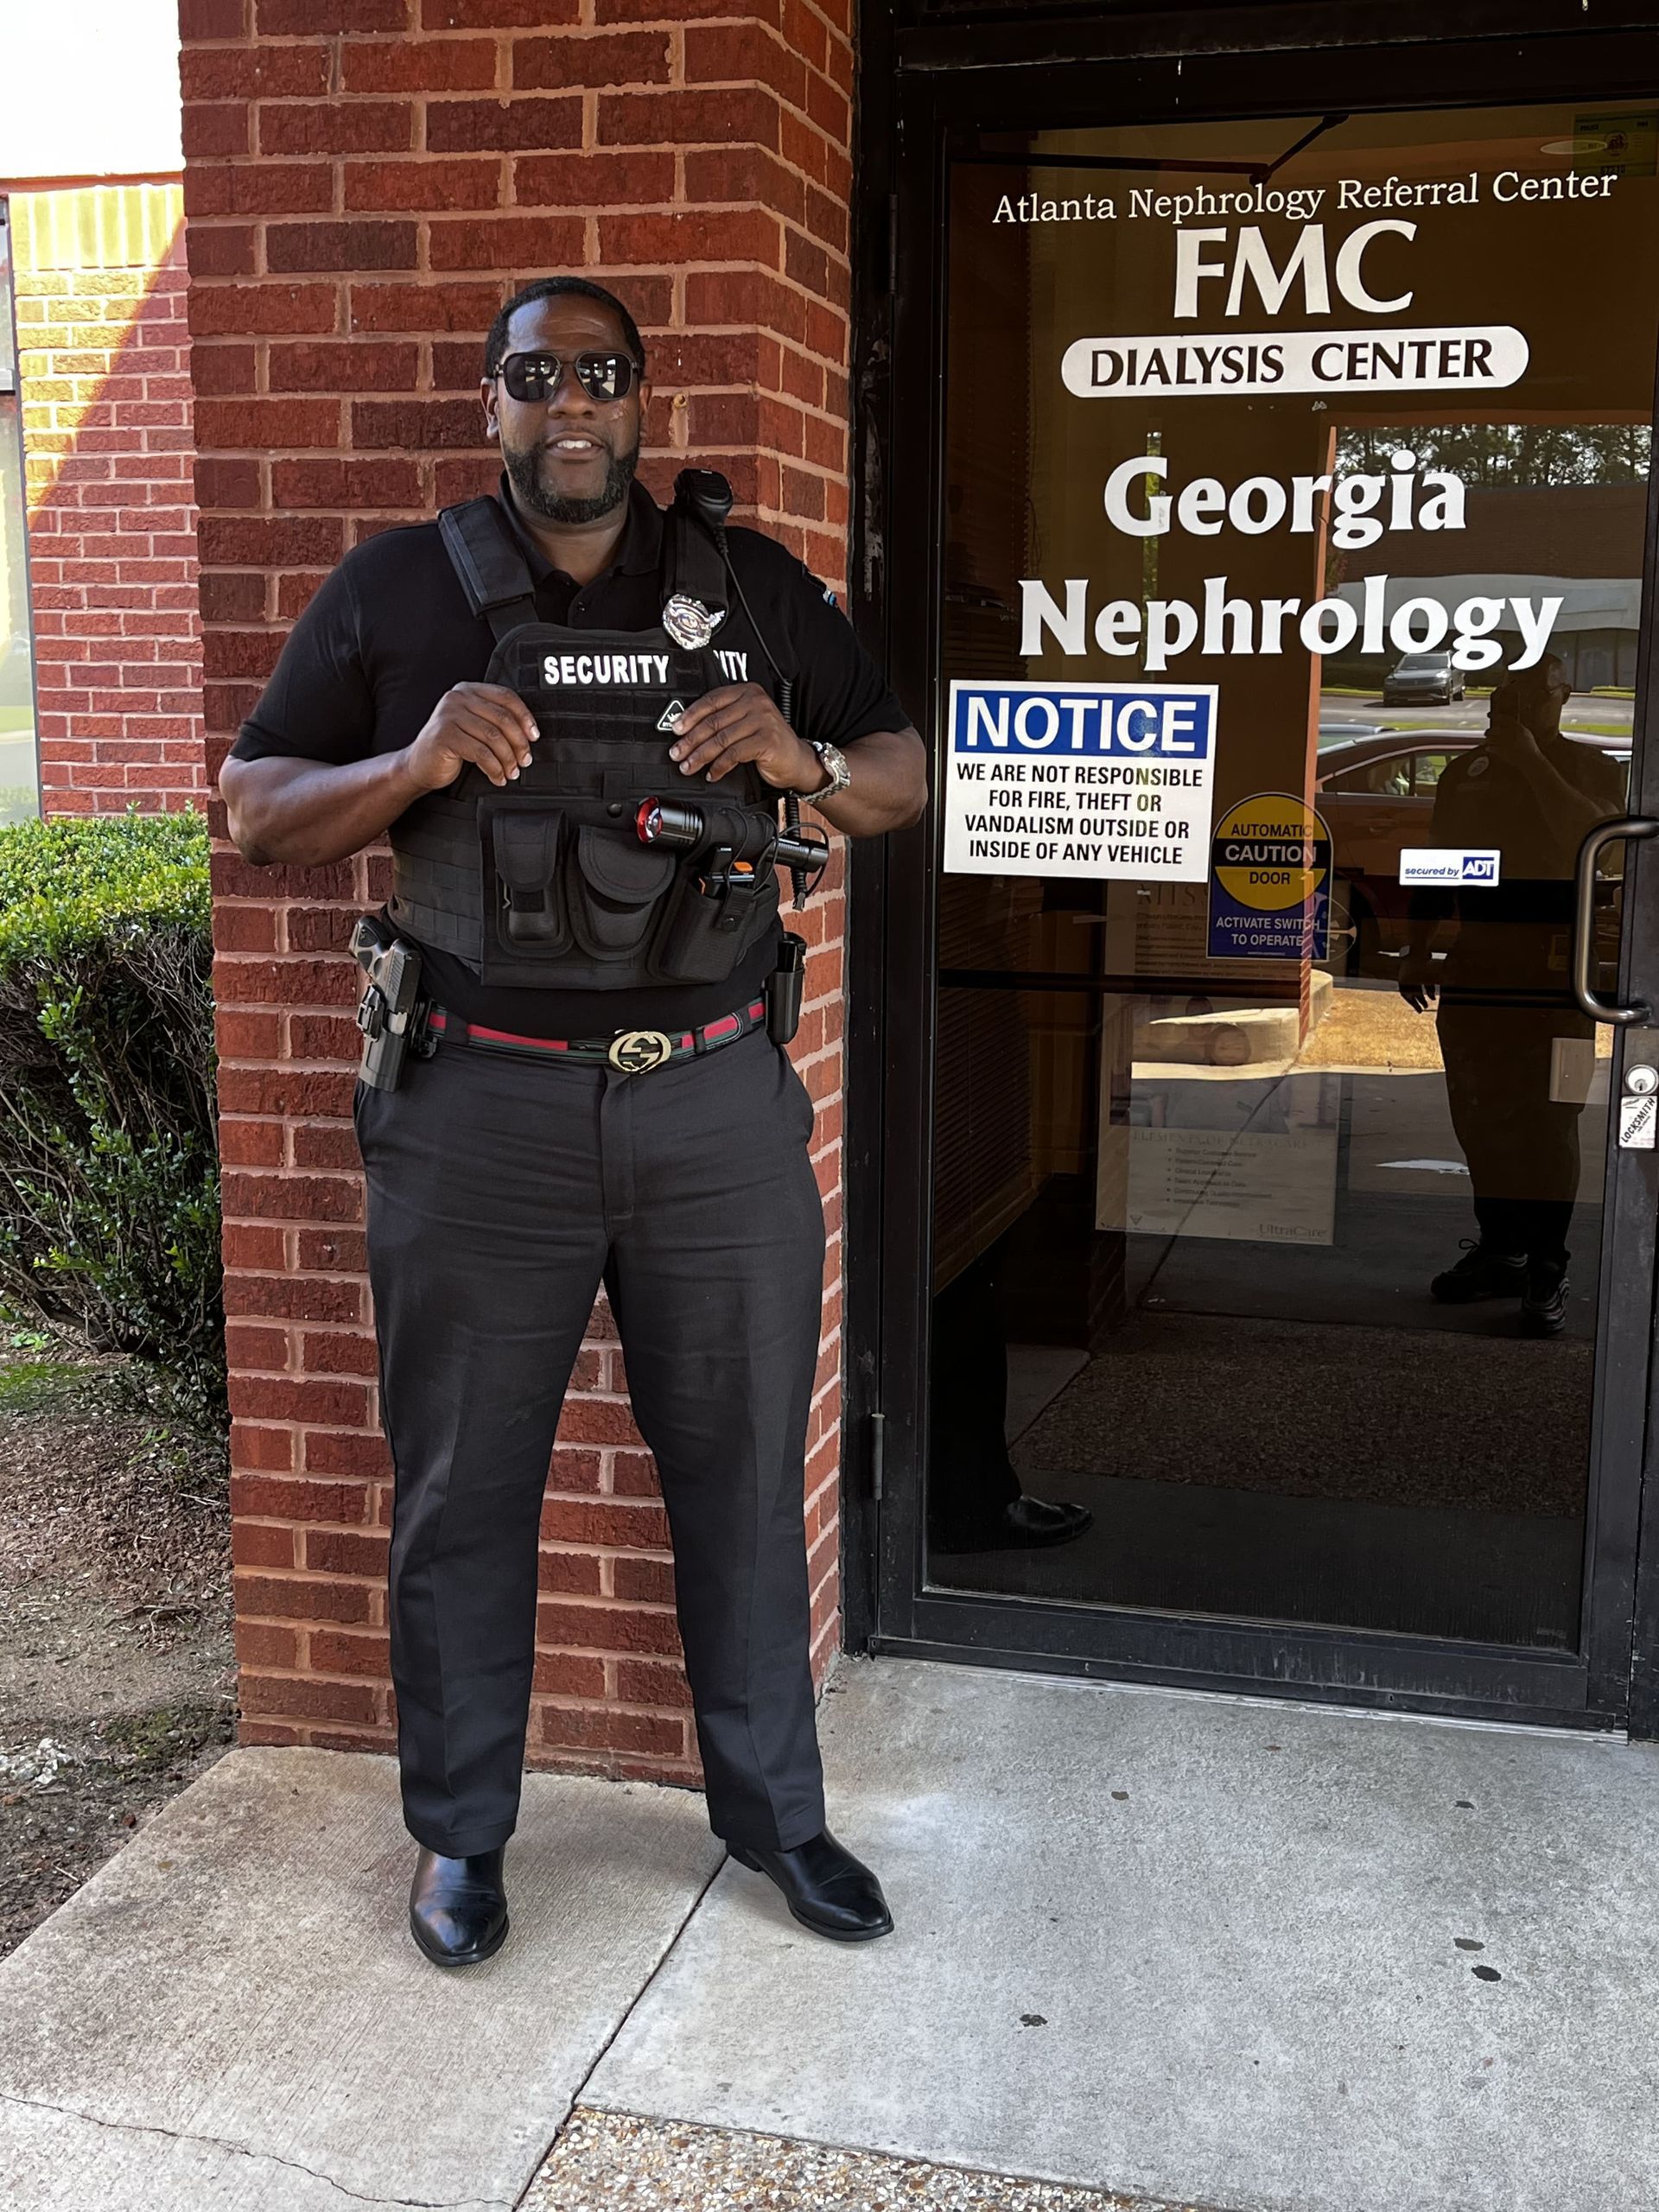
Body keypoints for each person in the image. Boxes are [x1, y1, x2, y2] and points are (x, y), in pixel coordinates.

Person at [219, 276, 928, 1967]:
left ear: (639, 397)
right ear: (494, 404)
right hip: (480, 1109)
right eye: (535, 379)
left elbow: (903, 774)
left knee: (747, 1472)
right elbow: (253, 807)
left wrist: (800, 753)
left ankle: (779, 1817)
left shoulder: (750, 588)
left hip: (715, 1115)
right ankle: (461, 1838)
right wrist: (412, 763)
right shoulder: (403, 587)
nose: (571, 407)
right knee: (463, 1490)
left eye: (599, 375)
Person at [1398, 655, 1624, 1336]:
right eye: (1509, 699)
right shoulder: (1470, 774)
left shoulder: (1592, 766)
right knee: (1479, 1115)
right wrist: (1417, 948)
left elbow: (1596, 845)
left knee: (1550, 1120)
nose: (1519, 711)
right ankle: (1502, 1248)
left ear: (1562, 699)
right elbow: (1440, 862)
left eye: (1534, 697)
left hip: (1559, 978)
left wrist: (1530, 761)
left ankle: (1548, 1264)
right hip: (1479, 970)